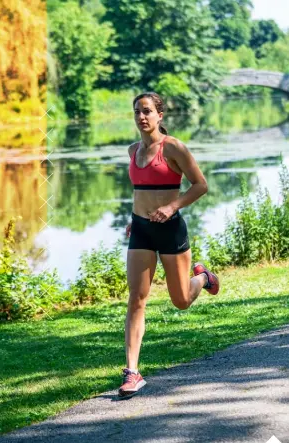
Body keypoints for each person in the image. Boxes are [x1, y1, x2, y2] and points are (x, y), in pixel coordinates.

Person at [118, 92, 219, 399]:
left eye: (147, 111)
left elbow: (200, 185)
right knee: (136, 298)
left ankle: (203, 277)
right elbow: (141, 190)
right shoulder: (132, 150)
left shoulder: (173, 147)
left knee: (181, 300)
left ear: (160, 115)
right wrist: (135, 219)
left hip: (171, 229)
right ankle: (132, 372)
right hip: (142, 232)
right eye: (137, 111)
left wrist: (173, 206)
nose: (141, 117)